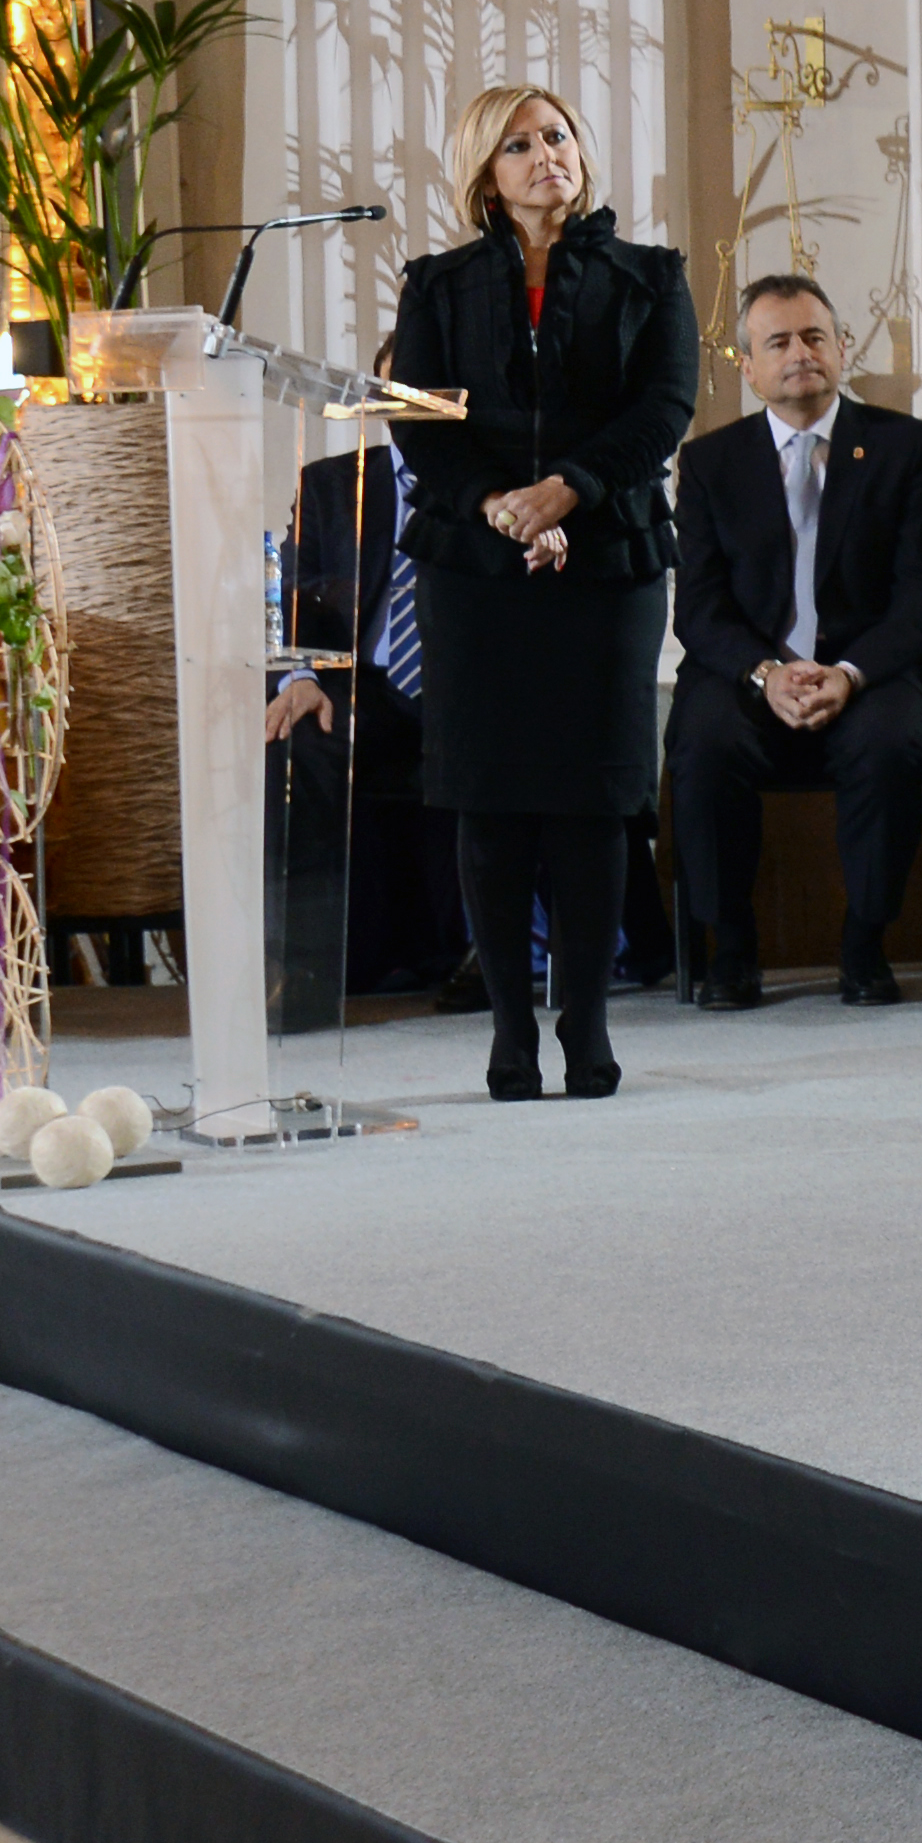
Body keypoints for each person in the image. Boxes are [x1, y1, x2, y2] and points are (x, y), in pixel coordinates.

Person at [382, 83, 698, 1100]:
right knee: (491, 796)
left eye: (556, 136)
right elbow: (420, 418)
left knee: (590, 799)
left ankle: (589, 1023)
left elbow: (665, 406)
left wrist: (568, 491)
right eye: (518, 144)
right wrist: (500, 507)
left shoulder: (650, 275)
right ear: (486, 170)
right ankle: (510, 1029)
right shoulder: (434, 285)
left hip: (603, 554)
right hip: (477, 563)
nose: (544, 155)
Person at [663, 273, 922, 1005]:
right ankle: (730, 947)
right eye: (779, 342)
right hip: (752, 676)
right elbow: (699, 609)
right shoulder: (709, 463)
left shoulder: (904, 447)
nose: (800, 353)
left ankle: (865, 943)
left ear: (840, 348)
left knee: (890, 742)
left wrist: (850, 673)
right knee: (701, 742)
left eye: (814, 337)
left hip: (872, 674)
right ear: (750, 365)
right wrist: (766, 673)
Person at [257, 433, 460, 1029]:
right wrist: (298, 674)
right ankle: (303, 972)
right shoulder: (331, 483)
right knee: (296, 740)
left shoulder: (481, 476)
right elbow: (291, 592)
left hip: (462, 684)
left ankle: (479, 954)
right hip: (361, 684)